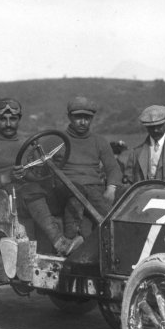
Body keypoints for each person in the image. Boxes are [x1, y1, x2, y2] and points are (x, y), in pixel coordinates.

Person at [0, 98, 80, 256]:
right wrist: (6, 178)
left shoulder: (30, 144)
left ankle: (75, 242)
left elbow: (38, 174)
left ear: (19, 119)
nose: (8, 124)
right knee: (31, 189)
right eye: (3, 119)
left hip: (33, 196)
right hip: (7, 202)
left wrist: (45, 169)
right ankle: (59, 242)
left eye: (13, 119)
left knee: (73, 190)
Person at [57, 97, 122, 239]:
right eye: (78, 117)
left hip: (93, 189)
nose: (83, 122)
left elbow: (113, 168)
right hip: (66, 188)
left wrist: (111, 188)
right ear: (69, 117)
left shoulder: (99, 141)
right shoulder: (57, 140)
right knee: (77, 192)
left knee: (110, 216)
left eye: (87, 118)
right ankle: (70, 239)